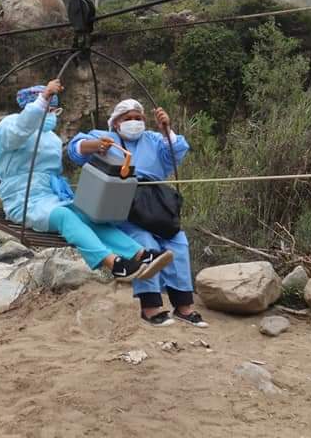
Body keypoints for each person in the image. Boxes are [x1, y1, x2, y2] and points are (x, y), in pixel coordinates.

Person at [0, 80, 173, 282]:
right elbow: (20, 130)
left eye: (55, 110)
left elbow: (53, 173)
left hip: (50, 196)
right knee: (63, 216)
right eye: (48, 108)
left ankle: (140, 254)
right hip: (21, 200)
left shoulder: (51, 138)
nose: (51, 114)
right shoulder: (8, 126)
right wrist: (43, 99)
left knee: (88, 215)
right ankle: (115, 264)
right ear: (32, 106)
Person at [69, 99, 208, 327]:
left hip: (154, 201)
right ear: (116, 123)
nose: (134, 122)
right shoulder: (106, 138)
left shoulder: (154, 139)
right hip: (122, 203)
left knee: (178, 242)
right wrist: (94, 146)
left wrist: (166, 130)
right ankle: (151, 307)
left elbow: (177, 152)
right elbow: (76, 149)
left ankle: (184, 306)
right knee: (144, 242)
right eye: (128, 119)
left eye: (138, 118)